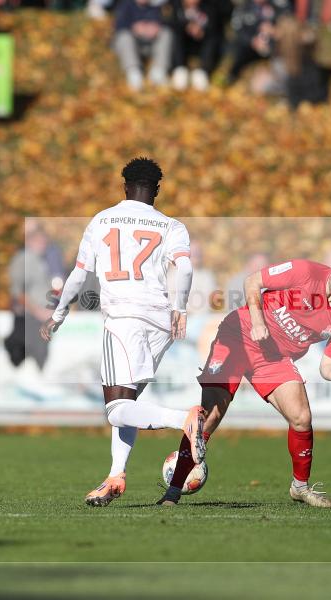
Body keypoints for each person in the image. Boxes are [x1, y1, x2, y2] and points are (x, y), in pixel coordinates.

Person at [158, 242, 331, 508]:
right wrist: (258, 320)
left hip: (274, 359)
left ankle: (300, 487)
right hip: (239, 335)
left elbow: (327, 366)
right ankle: (173, 491)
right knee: (211, 415)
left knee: (302, 417)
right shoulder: (305, 271)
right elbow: (252, 281)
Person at [41, 157, 205, 507]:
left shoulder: (102, 220)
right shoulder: (171, 225)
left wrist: (58, 313)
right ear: (157, 190)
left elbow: (79, 275)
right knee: (127, 403)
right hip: (159, 321)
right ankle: (116, 475)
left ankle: (184, 420)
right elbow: (186, 269)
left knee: (116, 409)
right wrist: (179, 308)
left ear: (125, 186)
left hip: (123, 318)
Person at [5, 222, 55, 370]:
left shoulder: (41, 260)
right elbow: (17, 292)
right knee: (25, 364)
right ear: (30, 240)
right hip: (29, 319)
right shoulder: (23, 259)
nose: (44, 243)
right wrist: (37, 311)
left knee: (41, 362)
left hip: (41, 319)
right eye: (40, 240)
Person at [113, 0, 174, 91]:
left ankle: (159, 71)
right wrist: (134, 27)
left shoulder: (157, 6)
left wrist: (157, 27)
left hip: (151, 44)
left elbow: (168, 22)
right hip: (133, 44)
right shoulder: (126, 5)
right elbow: (118, 25)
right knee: (124, 36)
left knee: (166, 33)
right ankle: (133, 72)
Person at [227, 0, 289, 84]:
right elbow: (238, 30)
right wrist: (253, 41)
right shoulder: (243, 8)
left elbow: (288, 24)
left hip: (274, 47)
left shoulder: (277, 5)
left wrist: (275, 31)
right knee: (239, 55)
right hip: (250, 47)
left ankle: (282, 81)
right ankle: (231, 77)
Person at [168, 0, 222, 91]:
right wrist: (187, 26)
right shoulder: (175, 5)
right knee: (174, 35)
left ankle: (202, 71)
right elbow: (169, 22)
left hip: (201, 43)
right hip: (183, 44)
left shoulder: (209, 5)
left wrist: (202, 30)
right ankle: (179, 70)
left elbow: (215, 24)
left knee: (213, 38)